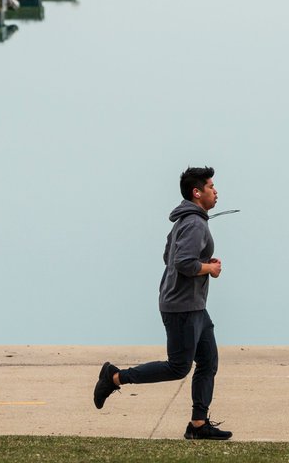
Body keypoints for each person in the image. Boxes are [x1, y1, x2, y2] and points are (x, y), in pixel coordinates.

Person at [92, 166, 232, 441]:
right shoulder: (193, 223)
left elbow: (169, 255)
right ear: (197, 192)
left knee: (208, 362)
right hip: (182, 307)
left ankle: (198, 424)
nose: (216, 191)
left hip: (193, 306)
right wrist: (209, 269)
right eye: (211, 186)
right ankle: (115, 377)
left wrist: (202, 264)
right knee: (179, 367)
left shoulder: (186, 221)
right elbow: (181, 262)